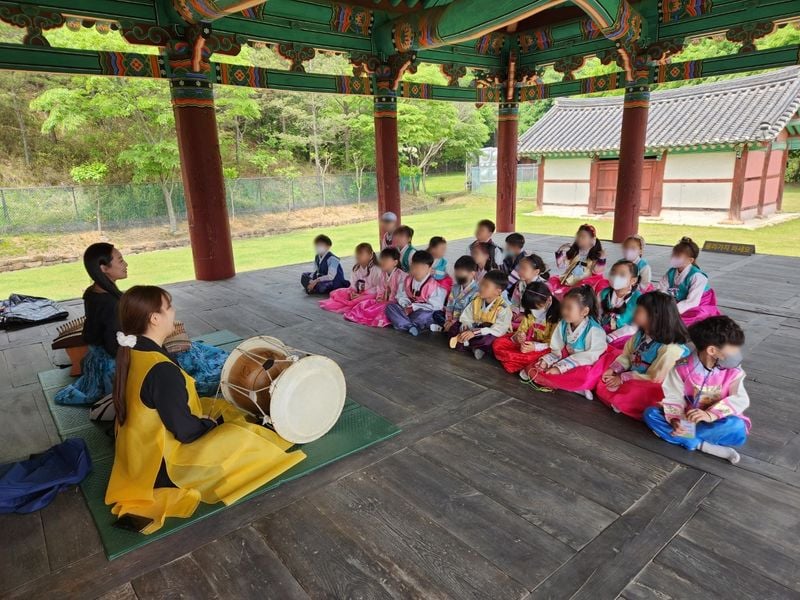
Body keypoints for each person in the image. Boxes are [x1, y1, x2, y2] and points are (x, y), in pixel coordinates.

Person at [105, 285, 305, 534]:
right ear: (154, 318)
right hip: (163, 465)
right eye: (169, 307)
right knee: (240, 437)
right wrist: (209, 424)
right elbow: (186, 432)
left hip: (137, 454)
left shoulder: (134, 350)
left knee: (220, 407)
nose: (174, 312)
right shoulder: (161, 370)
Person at [54, 243, 227, 405]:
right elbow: (116, 347)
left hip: (97, 359)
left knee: (195, 350)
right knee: (192, 358)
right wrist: (157, 349)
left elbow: (94, 333)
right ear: (103, 268)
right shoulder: (111, 304)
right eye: (120, 260)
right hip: (115, 364)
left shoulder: (93, 292)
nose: (126, 264)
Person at [643, 316, 750, 464]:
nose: (737, 353)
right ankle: (704, 445)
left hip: (717, 421)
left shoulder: (734, 371)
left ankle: (688, 439)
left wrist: (710, 415)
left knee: (736, 426)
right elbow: (674, 397)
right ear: (712, 350)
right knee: (650, 414)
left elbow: (740, 399)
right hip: (688, 420)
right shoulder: (681, 368)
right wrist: (676, 420)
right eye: (734, 348)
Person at [597, 291, 691, 419]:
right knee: (607, 362)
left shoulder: (671, 349)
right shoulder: (640, 335)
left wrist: (623, 377)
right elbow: (628, 354)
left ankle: (625, 401)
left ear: (654, 316)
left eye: (639, 310)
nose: (634, 313)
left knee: (641, 391)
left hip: (656, 382)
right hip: (638, 374)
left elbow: (655, 378)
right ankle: (621, 397)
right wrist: (614, 370)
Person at [522, 285, 607, 400]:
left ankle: (576, 386)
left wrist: (560, 368)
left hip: (587, 362)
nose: (564, 311)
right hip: (568, 356)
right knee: (539, 364)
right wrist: (548, 361)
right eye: (563, 307)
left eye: (569, 308)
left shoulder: (594, 330)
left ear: (584, 311)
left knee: (585, 374)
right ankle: (570, 385)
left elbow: (591, 356)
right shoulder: (563, 323)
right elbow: (556, 347)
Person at [493, 283, 560, 374]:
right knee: (498, 343)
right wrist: (519, 337)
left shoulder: (556, 317)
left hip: (545, 348)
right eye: (531, 308)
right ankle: (518, 363)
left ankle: (518, 363)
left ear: (549, 300)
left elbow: (554, 344)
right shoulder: (530, 311)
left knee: (529, 357)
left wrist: (535, 347)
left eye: (537, 308)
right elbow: (522, 329)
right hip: (527, 343)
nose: (533, 311)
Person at [448, 270, 512, 360]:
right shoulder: (477, 299)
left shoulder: (503, 308)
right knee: (454, 328)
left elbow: (498, 330)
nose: (481, 287)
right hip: (474, 328)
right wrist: (466, 327)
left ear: (497, 291)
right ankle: (473, 346)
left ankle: (468, 345)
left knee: (490, 340)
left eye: (486, 286)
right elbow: (467, 317)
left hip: (488, 332)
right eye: (481, 284)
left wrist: (474, 333)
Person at [657, 237, 721, 326]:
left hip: (698, 302)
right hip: (678, 300)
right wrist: (664, 304)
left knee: (682, 322)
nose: (674, 258)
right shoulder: (671, 272)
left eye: (678, 256)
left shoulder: (697, 277)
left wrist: (671, 310)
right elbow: (661, 289)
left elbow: (692, 302)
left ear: (690, 260)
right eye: (673, 255)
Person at [385, 250, 447, 336]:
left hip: (422, 312)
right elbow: (401, 296)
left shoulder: (433, 286)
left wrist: (414, 307)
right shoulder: (407, 281)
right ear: (411, 266)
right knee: (390, 307)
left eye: (422, 268)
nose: (418, 271)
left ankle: (405, 323)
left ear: (429, 269)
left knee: (424, 315)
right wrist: (406, 306)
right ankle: (411, 326)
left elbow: (436, 306)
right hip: (407, 311)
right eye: (415, 267)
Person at [344, 247, 407, 328]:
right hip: (383, 301)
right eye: (382, 259)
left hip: (394, 304)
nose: (382, 262)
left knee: (380, 309)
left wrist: (388, 301)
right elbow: (380, 289)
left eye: (386, 260)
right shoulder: (383, 274)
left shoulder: (401, 276)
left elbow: (400, 296)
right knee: (363, 304)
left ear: (395, 262)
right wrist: (379, 298)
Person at [319, 243, 381, 314]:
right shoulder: (356, 268)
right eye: (357, 254)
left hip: (370, 295)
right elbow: (353, 284)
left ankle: (353, 302)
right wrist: (353, 292)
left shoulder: (376, 269)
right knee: (337, 292)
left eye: (361, 254)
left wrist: (362, 295)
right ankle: (353, 300)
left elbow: (378, 288)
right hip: (358, 293)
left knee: (359, 300)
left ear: (370, 256)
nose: (358, 256)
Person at [549, 224, 607, 300]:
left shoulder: (595, 256)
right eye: (578, 236)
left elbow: (597, 271)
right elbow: (561, 265)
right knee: (550, 286)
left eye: (583, 237)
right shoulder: (575, 252)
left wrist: (602, 259)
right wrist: (560, 251)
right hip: (567, 282)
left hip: (582, 286)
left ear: (592, 240)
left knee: (566, 295)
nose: (579, 238)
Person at [598, 260, 642, 348]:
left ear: (633, 280)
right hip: (602, 331)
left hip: (624, 336)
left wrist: (611, 337)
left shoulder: (639, 299)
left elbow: (635, 327)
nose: (616, 277)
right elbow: (597, 315)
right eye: (613, 273)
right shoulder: (604, 293)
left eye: (622, 275)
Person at [431, 255, 479, 333]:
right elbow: (449, 305)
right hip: (451, 318)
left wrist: (453, 322)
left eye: (461, 272)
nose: (457, 275)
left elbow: (469, 313)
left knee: (463, 327)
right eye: (456, 272)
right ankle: (448, 327)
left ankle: (446, 328)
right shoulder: (455, 287)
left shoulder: (476, 291)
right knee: (436, 314)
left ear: (472, 274)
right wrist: (449, 320)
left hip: (463, 321)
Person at [505, 254, 549, 326]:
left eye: (524, 269)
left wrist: (526, 316)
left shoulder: (543, 287)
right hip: (522, 314)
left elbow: (542, 310)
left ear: (536, 272)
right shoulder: (520, 284)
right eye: (520, 267)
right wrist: (514, 312)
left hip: (538, 318)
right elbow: (515, 301)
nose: (520, 271)